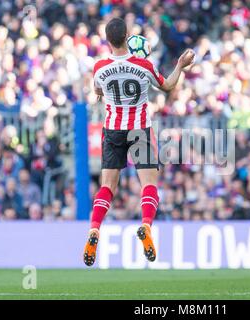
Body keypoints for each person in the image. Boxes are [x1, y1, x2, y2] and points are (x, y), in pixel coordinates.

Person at [83, 17, 195, 266]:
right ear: (127, 38)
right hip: (139, 129)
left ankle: (94, 228)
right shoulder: (143, 64)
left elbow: (98, 91)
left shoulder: (99, 67)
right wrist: (180, 65)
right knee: (149, 185)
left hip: (113, 130)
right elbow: (167, 86)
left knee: (108, 187)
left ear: (107, 40)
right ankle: (146, 226)